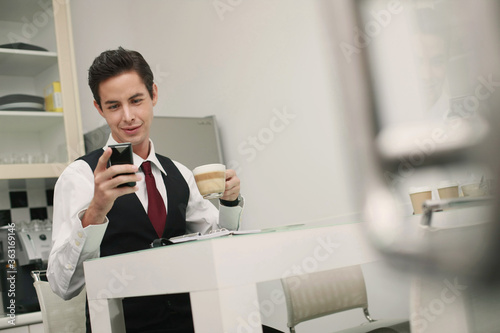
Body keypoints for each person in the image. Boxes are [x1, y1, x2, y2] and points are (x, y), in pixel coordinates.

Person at [47, 47, 249, 332]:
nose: (128, 116)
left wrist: (229, 203)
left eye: (136, 100)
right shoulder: (79, 177)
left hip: (195, 322)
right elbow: (62, 285)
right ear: (99, 109)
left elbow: (220, 246)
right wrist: (94, 213)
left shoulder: (179, 173)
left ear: (153, 94)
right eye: (114, 106)